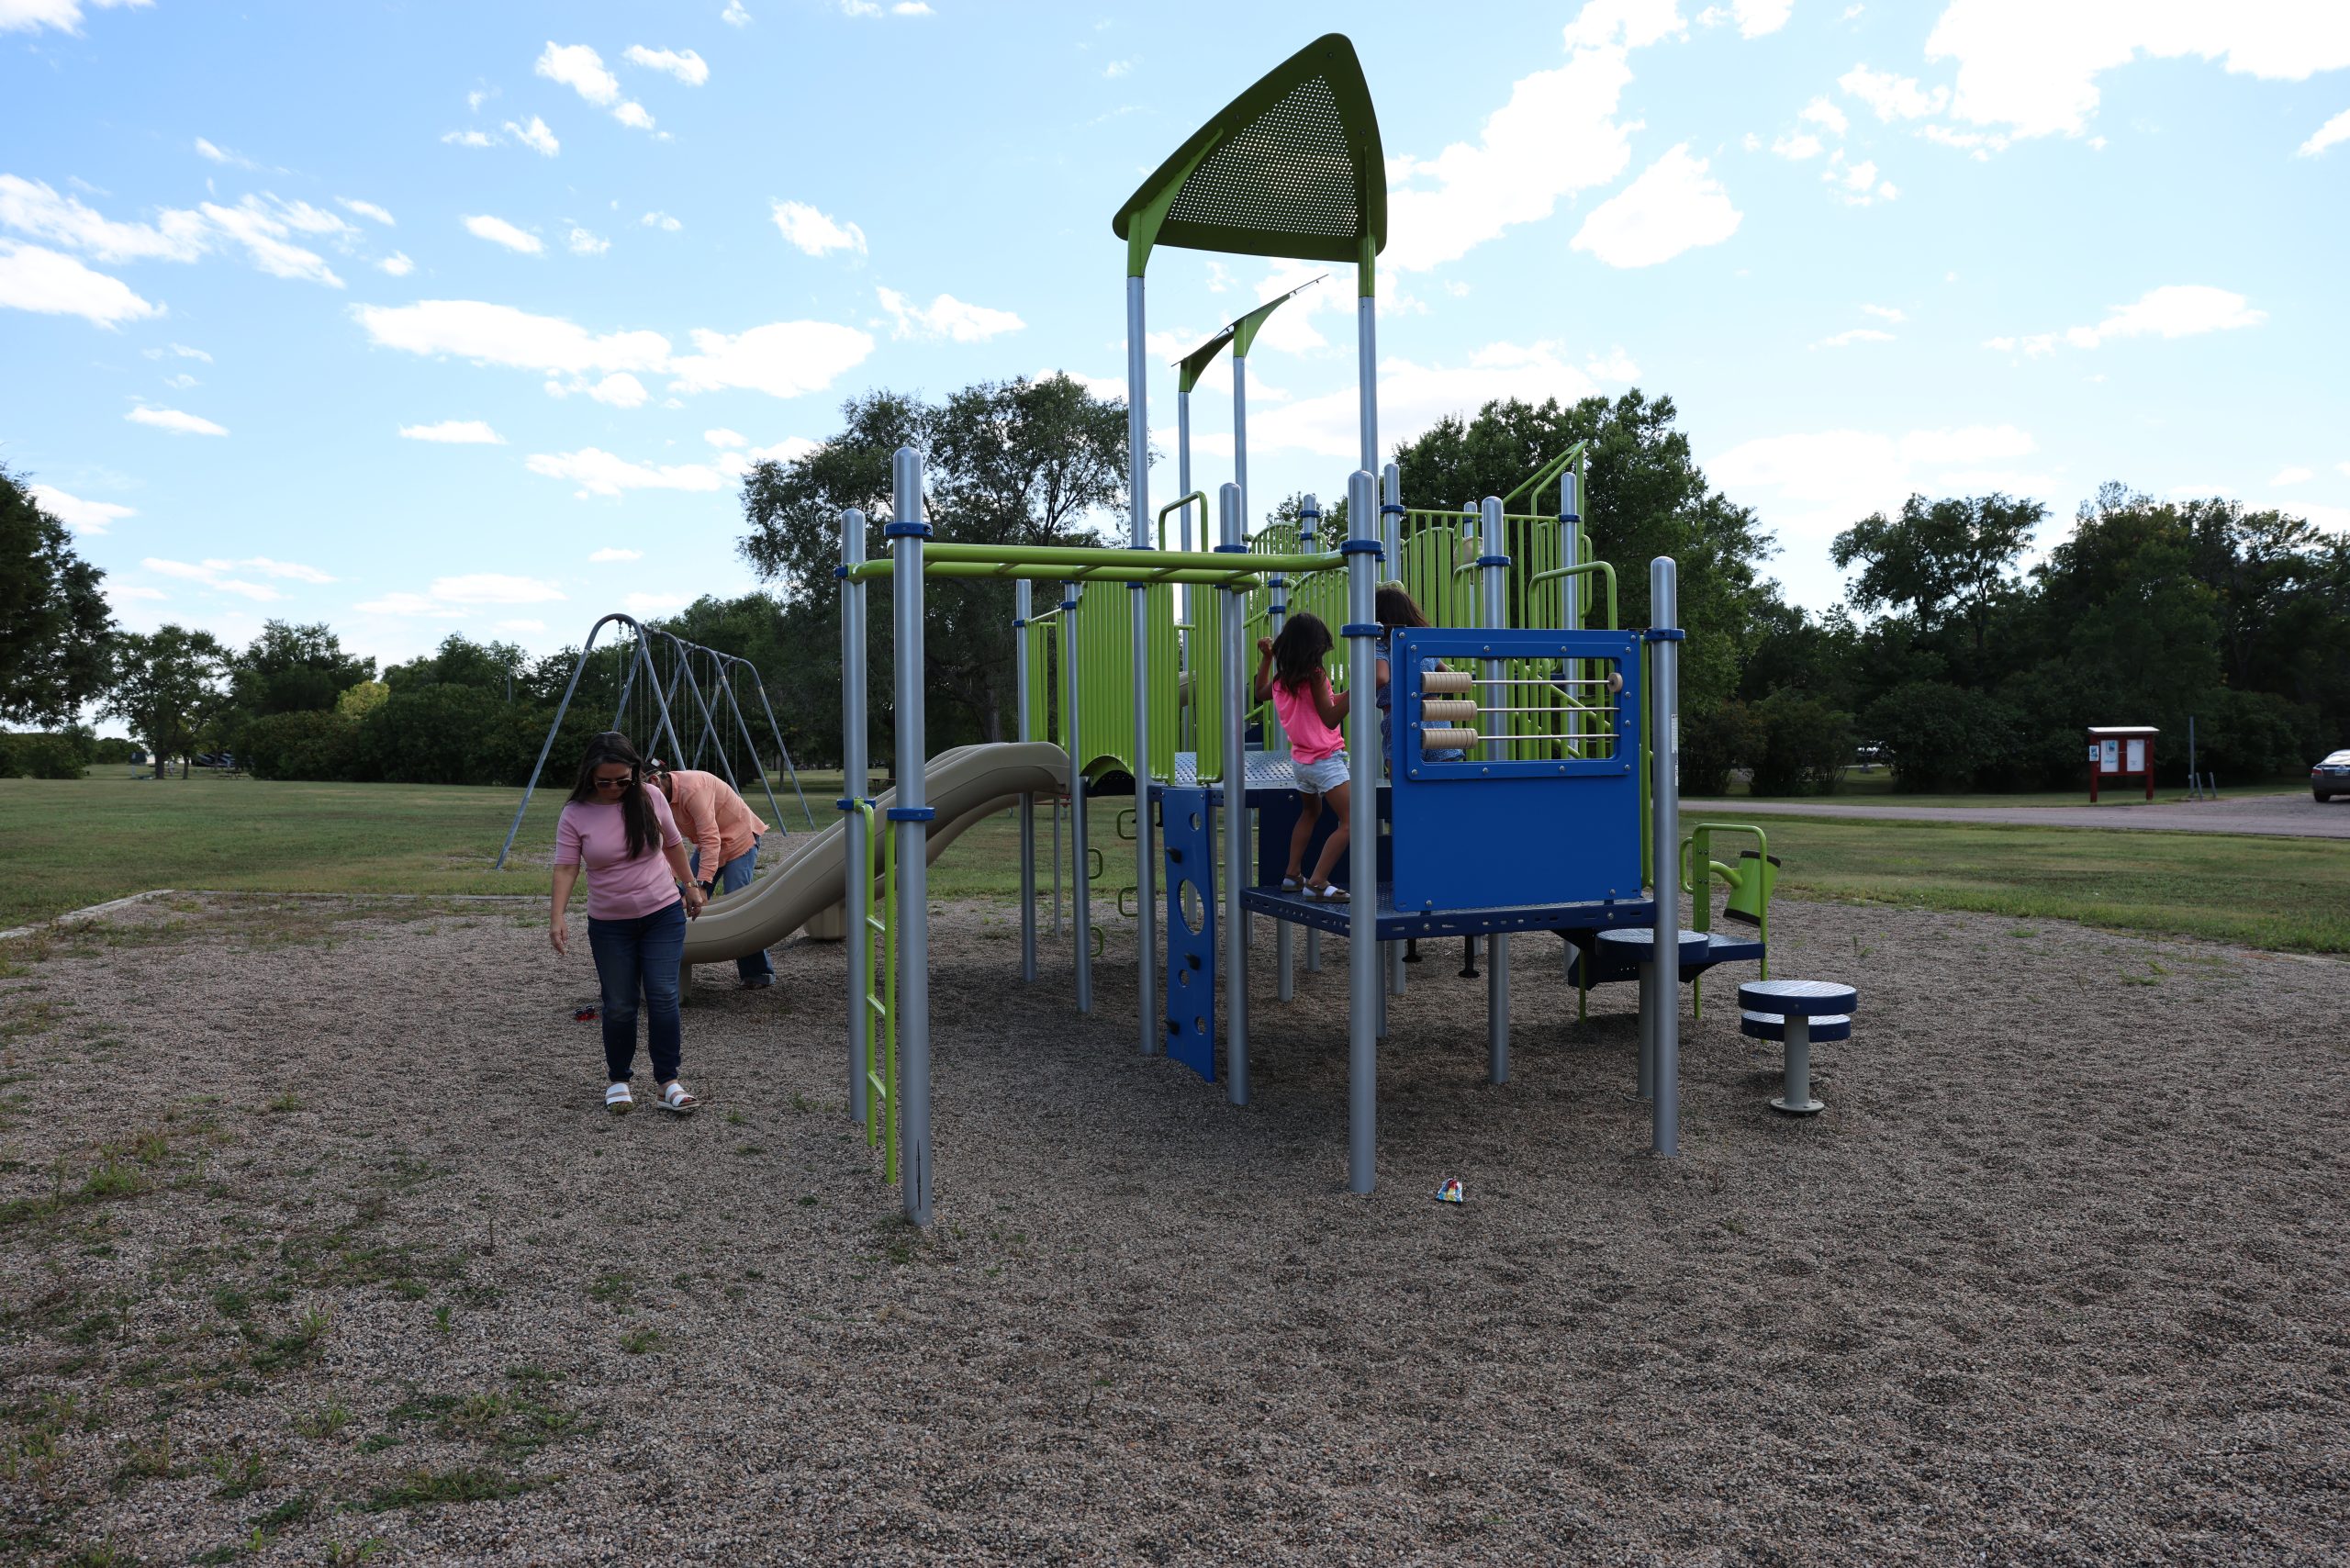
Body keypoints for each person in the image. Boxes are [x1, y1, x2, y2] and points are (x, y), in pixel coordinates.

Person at [550, 733, 706, 1115]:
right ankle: (619, 1079)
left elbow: (672, 843)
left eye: (624, 780)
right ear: (589, 776)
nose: (616, 788)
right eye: (606, 781)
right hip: (610, 923)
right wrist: (557, 916)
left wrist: (691, 886)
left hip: (662, 915)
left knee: (663, 995)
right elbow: (568, 866)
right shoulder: (575, 813)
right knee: (619, 1004)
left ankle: (667, 1081)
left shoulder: (650, 797)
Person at [1253, 611, 1352, 902]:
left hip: (1301, 762)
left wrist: (1267, 659)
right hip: (1325, 760)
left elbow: (1260, 692)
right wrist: (1357, 691)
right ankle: (1318, 882)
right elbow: (1331, 718)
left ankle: (1293, 874)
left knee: (1310, 812)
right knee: (1352, 821)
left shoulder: (1284, 680)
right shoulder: (1316, 676)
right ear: (1313, 648)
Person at [647, 761, 774, 988]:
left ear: (655, 781)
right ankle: (668, 966)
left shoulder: (693, 789)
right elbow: (666, 843)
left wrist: (702, 885)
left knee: (738, 900)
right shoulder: (658, 798)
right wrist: (674, 879)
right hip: (710, 846)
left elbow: (710, 838)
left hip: (739, 838)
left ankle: (758, 973)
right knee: (677, 898)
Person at [1372, 581, 1466, 767]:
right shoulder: (1423, 642)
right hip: (1436, 715)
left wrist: (1360, 682)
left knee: (1403, 778)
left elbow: (1381, 677)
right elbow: (1444, 672)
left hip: (1400, 716)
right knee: (1444, 778)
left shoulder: (1382, 643)